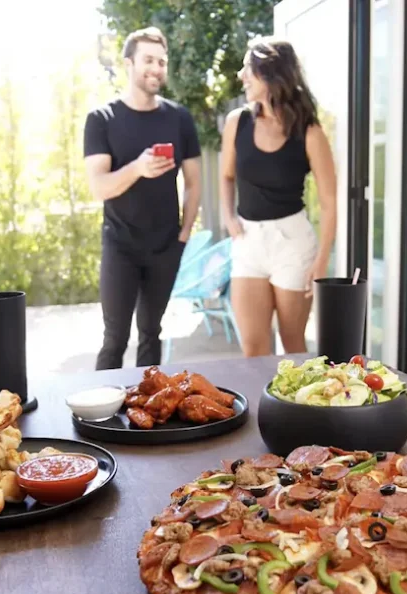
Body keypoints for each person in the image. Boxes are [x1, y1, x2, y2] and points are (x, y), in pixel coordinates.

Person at [84, 26, 202, 370]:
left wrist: (184, 234)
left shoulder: (179, 118)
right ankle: (97, 414)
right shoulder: (102, 119)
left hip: (166, 245)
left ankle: (150, 415)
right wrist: (137, 168)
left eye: (162, 61)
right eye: (148, 60)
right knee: (115, 338)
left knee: (152, 333)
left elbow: (194, 182)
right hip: (120, 245)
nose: (157, 68)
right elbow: (99, 187)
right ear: (128, 64)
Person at [219, 37, 337, 357]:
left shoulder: (308, 131)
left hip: (292, 243)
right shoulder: (237, 122)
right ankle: (262, 410)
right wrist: (228, 216)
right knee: (253, 349)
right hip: (248, 241)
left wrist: (322, 261)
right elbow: (227, 176)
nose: (241, 75)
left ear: (270, 74)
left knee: (293, 346)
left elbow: (329, 202)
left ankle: (298, 409)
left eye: (248, 68)